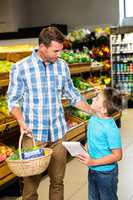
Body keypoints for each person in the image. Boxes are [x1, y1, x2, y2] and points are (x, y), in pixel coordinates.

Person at [7, 26, 93, 200]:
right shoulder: (21, 68)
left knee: (58, 181)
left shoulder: (62, 66)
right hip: (33, 135)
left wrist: (94, 112)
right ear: (42, 47)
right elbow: (12, 101)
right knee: (30, 185)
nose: (59, 55)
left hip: (58, 134)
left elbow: (73, 95)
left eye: (61, 50)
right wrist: (21, 122)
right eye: (55, 50)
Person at [77, 87, 122, 200]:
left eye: (96, 99)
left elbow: (118, 155)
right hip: (93, 169)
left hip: (107, 174)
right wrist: (84, 150)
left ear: (103, 110)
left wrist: (93, 162)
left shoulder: (110, 128)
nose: (93, 99)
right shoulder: (93, 119)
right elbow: (91, 139)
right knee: (93, 197)